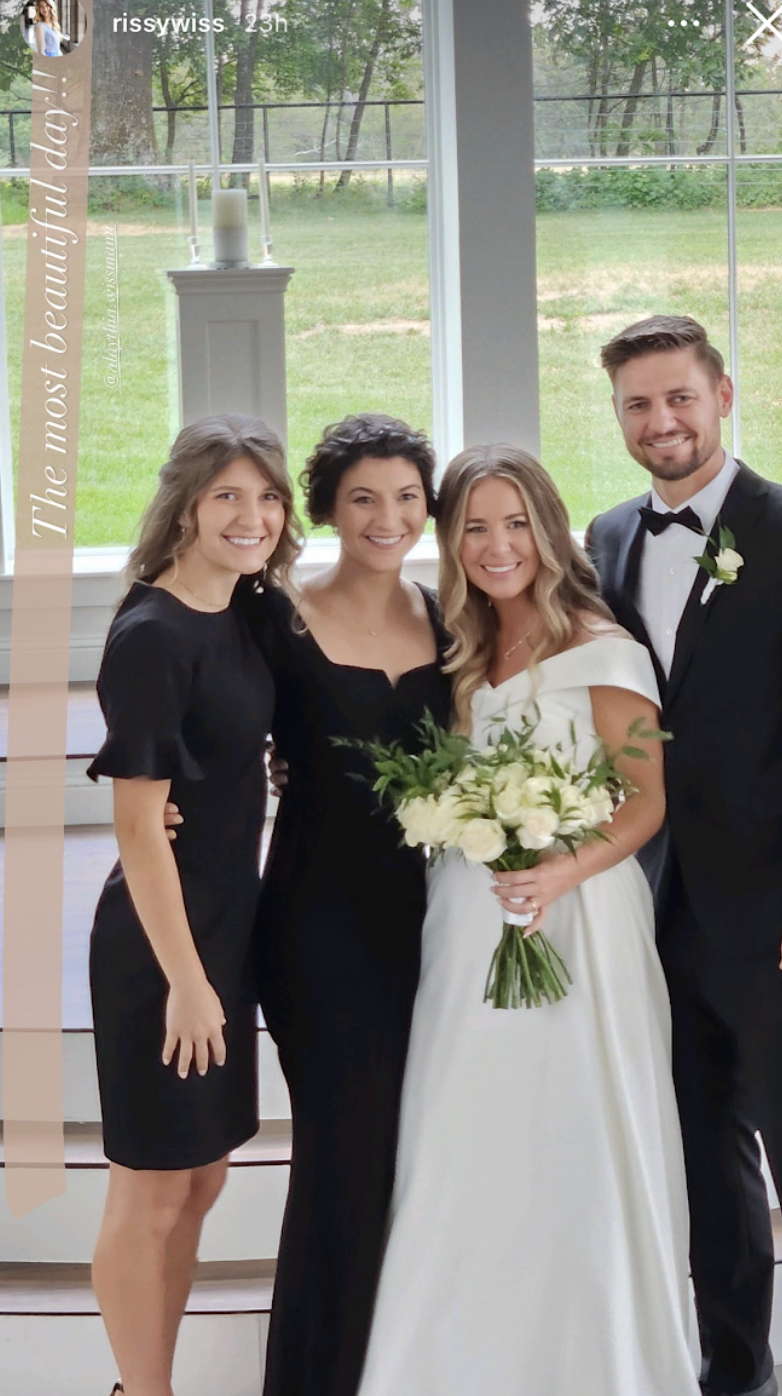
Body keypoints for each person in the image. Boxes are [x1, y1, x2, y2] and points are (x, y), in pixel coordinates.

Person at [356, 445, 700, 1396]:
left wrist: (559, 874)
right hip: (470, 924)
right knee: (466, 1130)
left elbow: (644, 800)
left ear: (547, 531)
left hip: (581, 922)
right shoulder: (460, 652)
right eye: (474, 526)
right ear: (451, 540)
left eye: (515, 523)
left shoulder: (603, 645)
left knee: (578, 1128)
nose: (496, 545)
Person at [586, 314, 782, 1396]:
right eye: (636, 403)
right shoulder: (608, 536)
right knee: (705, 1166)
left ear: (723, 393)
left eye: (678, 396)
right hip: (654, 908)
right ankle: (736, 1376)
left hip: (777, 915)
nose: (660, 421)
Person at [234, 414, 453, 1396]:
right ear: (324, 507)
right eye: (363, 496)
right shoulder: (274, 619)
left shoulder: (454, 616)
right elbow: (204, 729)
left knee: (419, 1158)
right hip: (318, 930)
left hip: (434, 929)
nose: (388, 516)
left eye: (407, 496)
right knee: (343, 1153)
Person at [87, 414, 301, 1396]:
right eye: (227, 495)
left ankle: (146, 1380)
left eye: (265, 496)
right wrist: (186, 982)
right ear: (184, 506)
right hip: (161, 947)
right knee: (150, 1185)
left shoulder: (245, 610)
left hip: (225, 927)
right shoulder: (152, 634)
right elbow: (138, 829)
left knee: (203, 1177)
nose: (250, 515)